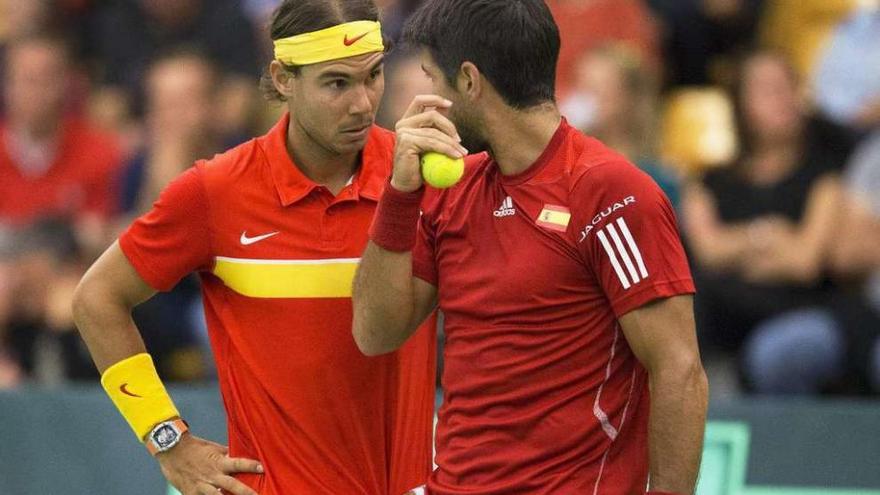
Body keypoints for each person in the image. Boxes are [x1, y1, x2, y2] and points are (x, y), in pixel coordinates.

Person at [72, 1, 436, 494]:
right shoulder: (215, 190)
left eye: (372, 76)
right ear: (283, 78)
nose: (362, 104)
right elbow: (96, 300)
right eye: (336, 83)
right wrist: (167, 439)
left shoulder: (422, 179)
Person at [352, 1, 708, 493]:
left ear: (470, 82)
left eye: (433, 80)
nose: (426, 100)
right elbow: (375, 333)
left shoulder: (610, 194)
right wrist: (399, 195)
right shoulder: (451, 192)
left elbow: (679, 370)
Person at [682, 52, 848, 394]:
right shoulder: (711, 180)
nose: (783, 99)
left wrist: (735, 250)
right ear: (741, 104)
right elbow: (708, 251)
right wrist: (769, 235)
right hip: (723, 312)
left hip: (796, 308)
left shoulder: (824, 175)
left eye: (788, 86)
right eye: (767, 90)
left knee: (775, 350)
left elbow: (805, 262)